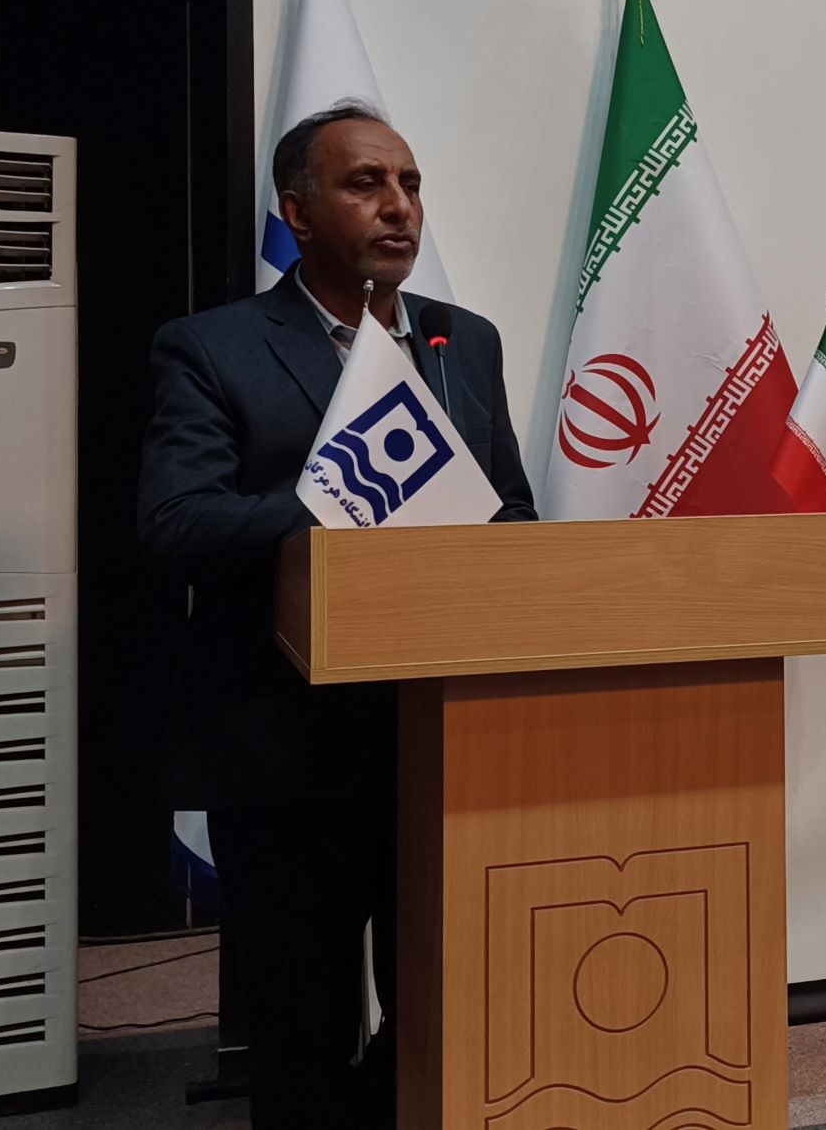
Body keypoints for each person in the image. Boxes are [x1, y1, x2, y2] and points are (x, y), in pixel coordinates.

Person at [137, 98, 536, 1126]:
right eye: (366, 184)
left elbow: (511, 513)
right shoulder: (214, 347)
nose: (399, 207)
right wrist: (348, 504)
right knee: (303, 1031)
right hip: (286, 750)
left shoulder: (462, 343)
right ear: (298, 211)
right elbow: (176, 521)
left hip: (442, 741)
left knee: (444, 1007)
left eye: (409, 185)